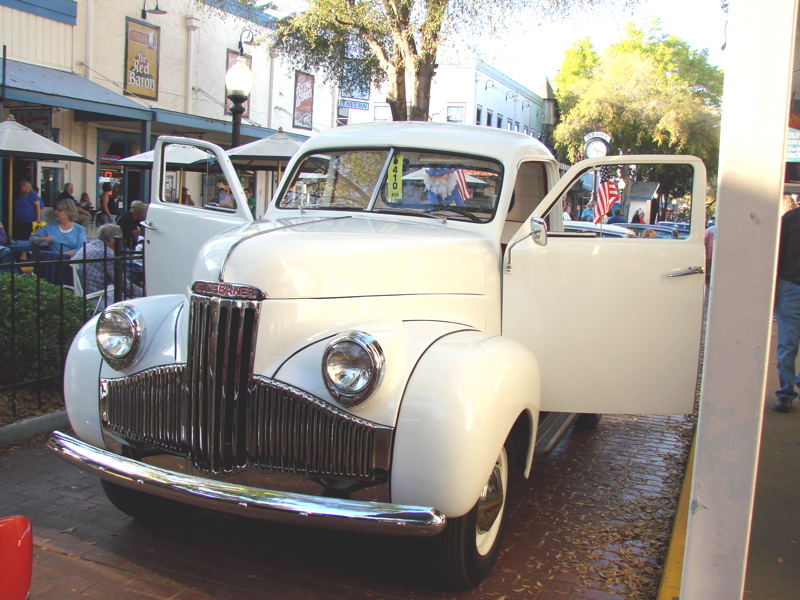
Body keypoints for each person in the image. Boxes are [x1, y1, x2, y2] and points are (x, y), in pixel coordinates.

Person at [774, 204, 800, 413]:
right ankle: (787, 391)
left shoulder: (790, 218)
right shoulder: (790, 218)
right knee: (787, 343)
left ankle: (786, 394)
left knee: (787, 343)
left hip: (790, 284)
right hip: (790, 284)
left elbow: (777, 253)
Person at [71, 224, 143, 298]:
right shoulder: (107, 253)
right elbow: (121, 283)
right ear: (116, 239)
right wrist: (144, 293)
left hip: (80, 294)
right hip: (94, 297)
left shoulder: (89, 246)